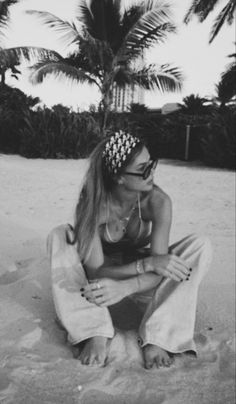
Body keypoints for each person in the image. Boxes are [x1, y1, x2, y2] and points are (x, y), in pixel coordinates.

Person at [47, 130, 212, 369]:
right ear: (118, 177)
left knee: (200, 246)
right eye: (144, 168)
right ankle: (94, 331)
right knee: (59, 235)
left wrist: (129, 285)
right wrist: (145, 265)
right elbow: (95, 272)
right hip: (101, 276)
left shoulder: (158, 201)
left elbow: (160, 266)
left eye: (152, 164)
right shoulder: (93, 203)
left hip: (137, 276)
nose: (152, 172)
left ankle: (159, 337)